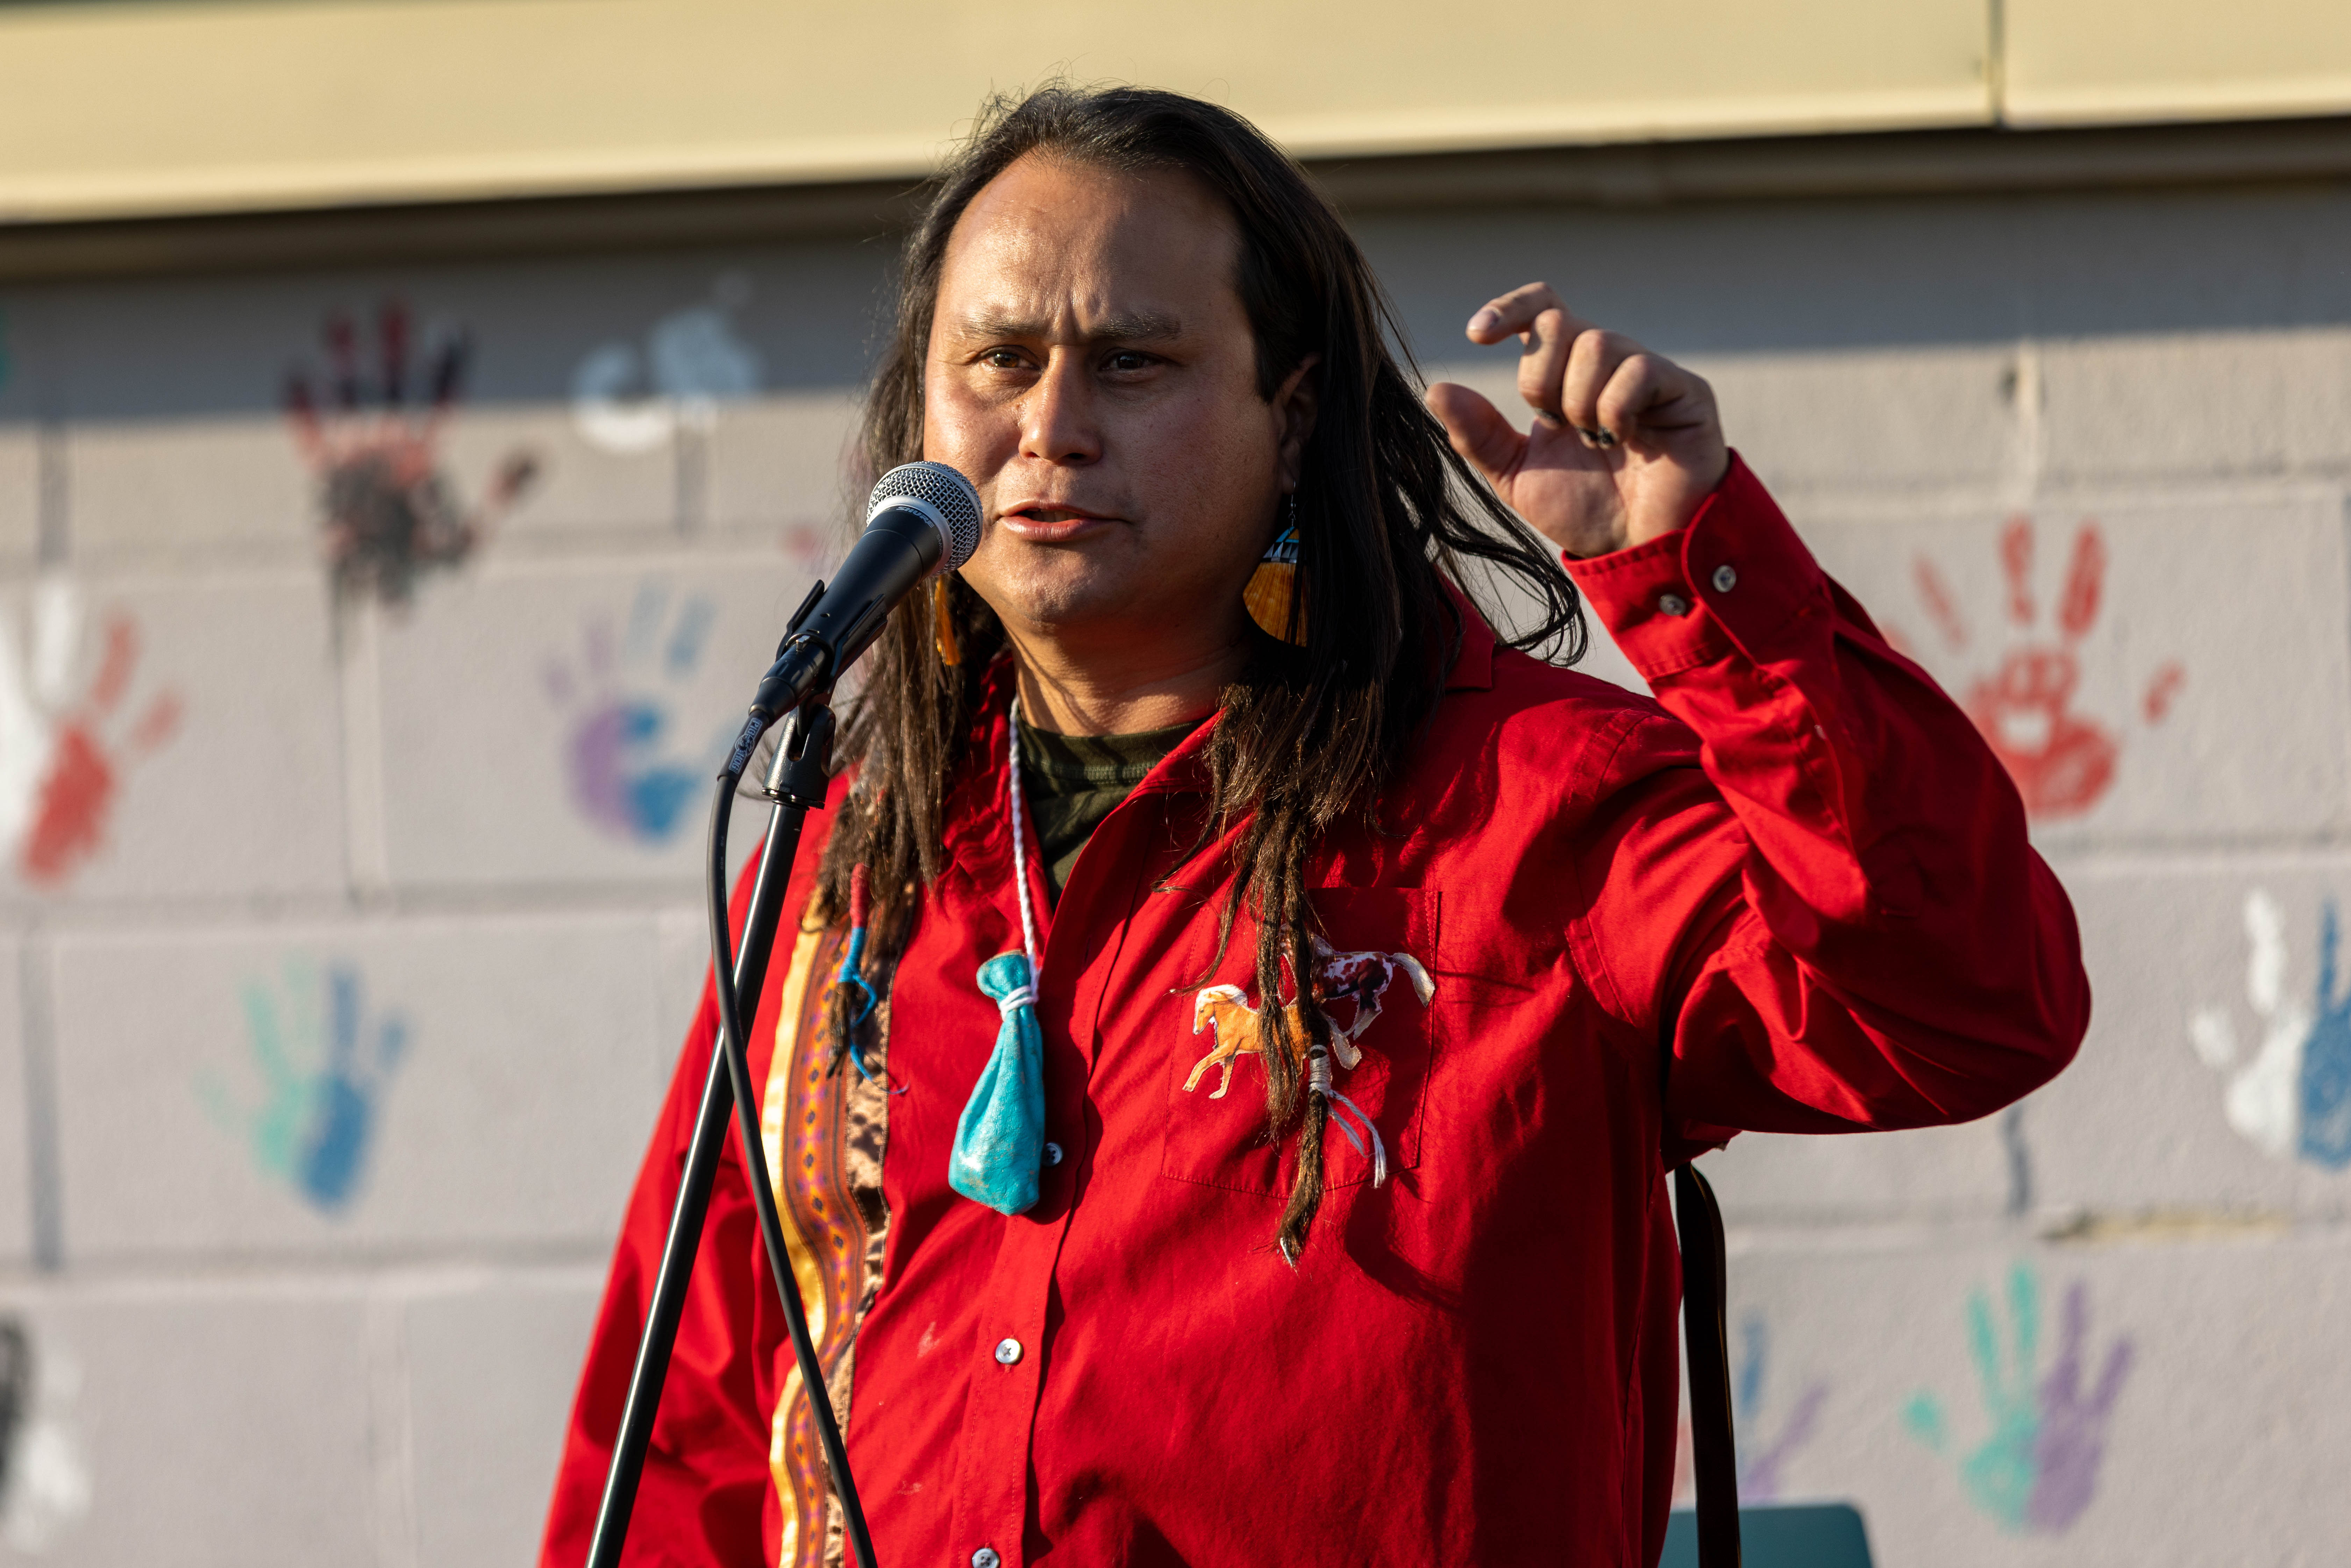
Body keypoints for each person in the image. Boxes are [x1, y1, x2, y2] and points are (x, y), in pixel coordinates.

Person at [540, 84, 2088, 1568]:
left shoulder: (1531, 815)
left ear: (1292, 417)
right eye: (997, 362)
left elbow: (1960, 1002)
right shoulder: (833, 876)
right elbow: (684, 1433)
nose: (1051, 426)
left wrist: (1696, 583)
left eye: (1132, 363)